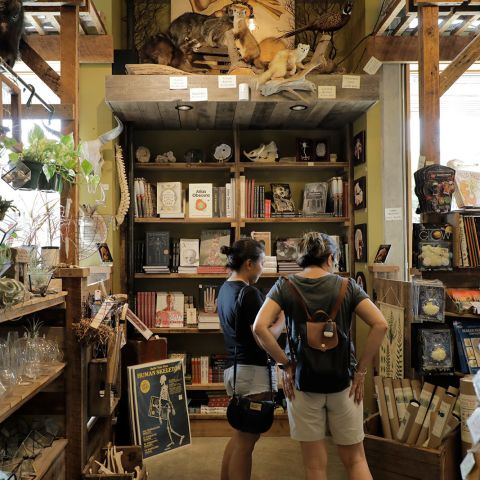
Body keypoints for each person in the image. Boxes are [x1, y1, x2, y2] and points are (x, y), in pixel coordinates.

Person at [253, 232, 388, 480]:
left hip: (303, 383)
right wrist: (360, 372)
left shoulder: (285, 285)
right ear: (329, 258)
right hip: (345, 383)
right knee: (355, 459)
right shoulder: (348, 286)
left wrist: (285, 365)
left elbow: (258, 327)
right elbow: (380, 324)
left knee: (315, 466)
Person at [217, 239, 283, 480]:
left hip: (234, 370)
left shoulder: (225, 289)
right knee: (247, 443)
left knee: (240, 436)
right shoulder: (250, 293)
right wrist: (281, 320)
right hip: (252, 373)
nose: (263, 268)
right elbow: (262, 338)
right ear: (249, 264)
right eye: (262, 263)